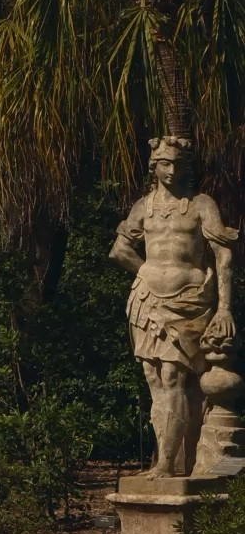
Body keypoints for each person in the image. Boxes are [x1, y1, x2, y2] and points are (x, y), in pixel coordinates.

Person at [109, 135, 238, 476]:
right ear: (154, 167)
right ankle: (169, 459)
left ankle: (168, 465)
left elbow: (223, 255)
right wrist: (147, 273)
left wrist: (225, 308)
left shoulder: (200, 205)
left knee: (174, 377)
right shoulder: (143, 207)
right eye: (165, 163)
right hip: (146, 301)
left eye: (178, 164)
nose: (171, 170)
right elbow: (119, 250)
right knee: (154, 378)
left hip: (189, 302)